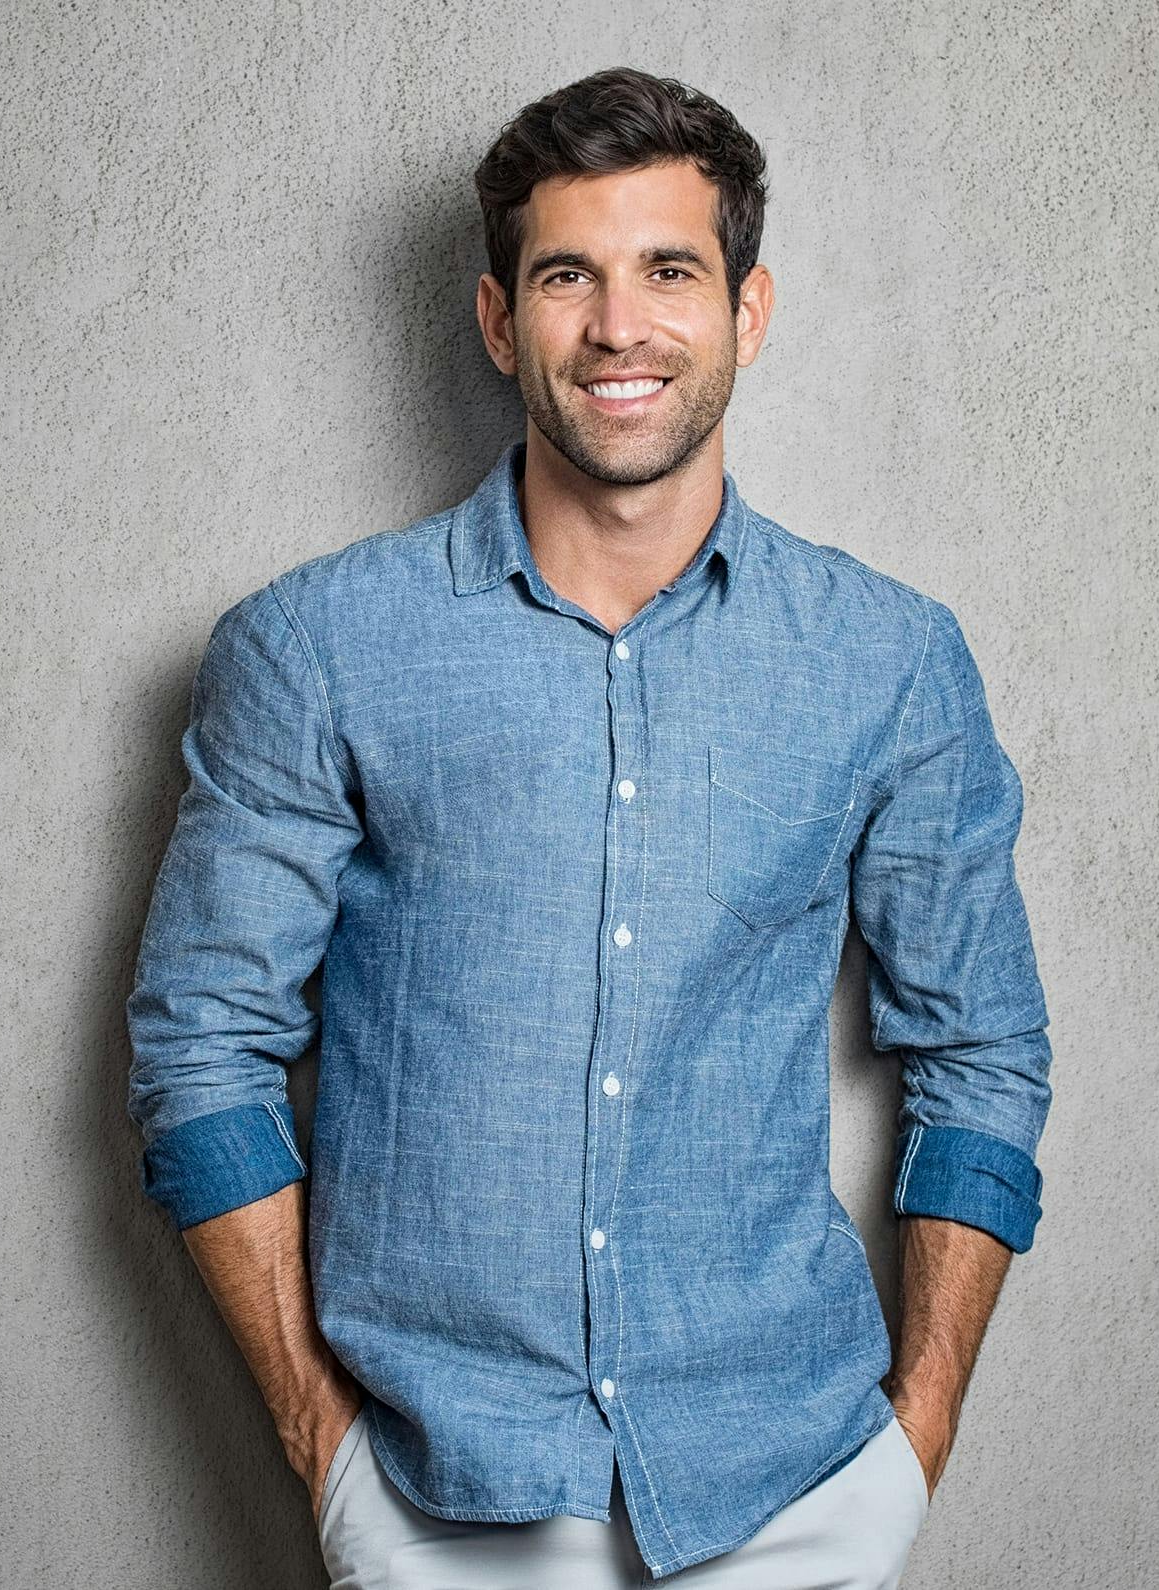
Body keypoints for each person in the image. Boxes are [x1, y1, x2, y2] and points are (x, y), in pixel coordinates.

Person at [125, 65, 1053, 1589]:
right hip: (440, 1492)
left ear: (746, 311)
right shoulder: (316, 648)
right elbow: (200, 1042)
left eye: (667, 271)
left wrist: (916, 1438)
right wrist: (322, 1441)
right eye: (568, 275)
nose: (619, 327)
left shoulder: (887, 661)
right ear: (500, 320)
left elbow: (982, 1051)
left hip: (795, 1486)